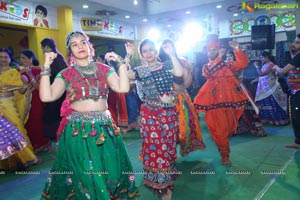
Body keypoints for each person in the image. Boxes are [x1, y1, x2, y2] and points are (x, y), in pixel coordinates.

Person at [39, 31, 139, 199]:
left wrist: (121, 62)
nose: (80, 46)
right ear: (70, 51)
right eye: (74, 44)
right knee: (87, 176)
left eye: (83, 42)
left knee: (111, 172)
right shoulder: (66, 74)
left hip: (105, 129)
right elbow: (46, 96)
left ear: (89, 46)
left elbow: (123, 88)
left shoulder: (104, 69)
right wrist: (46, 66)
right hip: (78, 132)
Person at [127, 38, 183, 200]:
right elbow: (122, 74)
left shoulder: (166, 66)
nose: (148, 53)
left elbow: (179, 74)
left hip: (169, 114)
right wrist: (127, 56)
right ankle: (162, 184)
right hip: (150, 116)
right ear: (141, 55)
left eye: (151, 50)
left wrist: (171, 54)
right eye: (145, 51)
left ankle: (166, 178)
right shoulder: (139, 71)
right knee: (156, 148)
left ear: (156, 52)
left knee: (169, 147)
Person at [193, 40, 249, 166]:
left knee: (228, 129)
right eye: (209, 50)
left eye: (214, 49)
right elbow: (209, 73)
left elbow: (243, 63)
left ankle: (224, 149)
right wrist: (220, 57)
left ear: (218, 50)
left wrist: (237, 49)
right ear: (206, 52)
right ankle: (225, 155)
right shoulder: (206, 67)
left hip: (229, 101)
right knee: (219, 130)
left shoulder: (227, 65)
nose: (211, 52)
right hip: (213, 102)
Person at [159, 38, 206, 156]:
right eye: (165, 46)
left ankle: (179, 150)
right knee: (164, 129)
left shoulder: (181, 62)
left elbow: (186, 85)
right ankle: (168, 154)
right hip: (163, 101)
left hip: (180, 99)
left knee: (182, 128)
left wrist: (189, 70)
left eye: (170, 46)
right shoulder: (158, 64)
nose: (167, 49)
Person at [0, 48, 39, 170]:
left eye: (5, 57)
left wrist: (26, 83)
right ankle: (10, 162)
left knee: (17, 128)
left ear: (10, 58)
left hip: (9, 104)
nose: (3, 59)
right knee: (3, 134)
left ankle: (27, 157)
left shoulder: (14, 72)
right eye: (0, 57)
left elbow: (21, 91)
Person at [226, 51, 267, 137]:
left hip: (238, 88)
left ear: (234, 57)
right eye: (227, 57)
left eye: (230, 56)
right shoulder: (225, 65)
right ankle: (233, 128)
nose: (228, 58)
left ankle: (251, 127)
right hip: (227, 89)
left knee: (246, 106)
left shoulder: (237, 65)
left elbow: (238, 75)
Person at [19, 49, 51, 153]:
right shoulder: (18, 71)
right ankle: (32, 144)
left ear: (31, 58)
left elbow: (39, 88)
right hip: (24, 100)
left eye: (24, 58)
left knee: (36, 120)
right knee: (27, 122)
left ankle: (43, 143)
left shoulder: (39, 70)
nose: (21, 60)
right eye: (20, 58)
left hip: (37, 99)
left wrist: (30, 74)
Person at [273, 33, 300, 148]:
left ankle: (298, 142)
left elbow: (283, 71)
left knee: (296, 116)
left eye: (297, 43)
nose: (294, 44)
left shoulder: (298, 58)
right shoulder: (297, 57)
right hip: (296, 91)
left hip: (298, 92)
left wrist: (275, 67)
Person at [41, 38, 68, 141]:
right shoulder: (58, 58)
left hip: (57, 93)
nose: (43, 51)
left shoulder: (56, 58)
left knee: (55, 116)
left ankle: (57, 137)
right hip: (55, 92)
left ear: (48, 47)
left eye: (43, 48)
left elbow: (61, 76)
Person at [253, 51, 289, 126]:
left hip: (271, 88)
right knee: (265, 103)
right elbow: (262, 76)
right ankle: (268, 119)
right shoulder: (265, 64)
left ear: (267, 57)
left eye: (262, 57)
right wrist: (255, 79)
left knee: (272, 103)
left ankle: (277, 120)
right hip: (265, 88)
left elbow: (262, 74)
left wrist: (256, 66)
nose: (261, 59)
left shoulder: (271, 64)